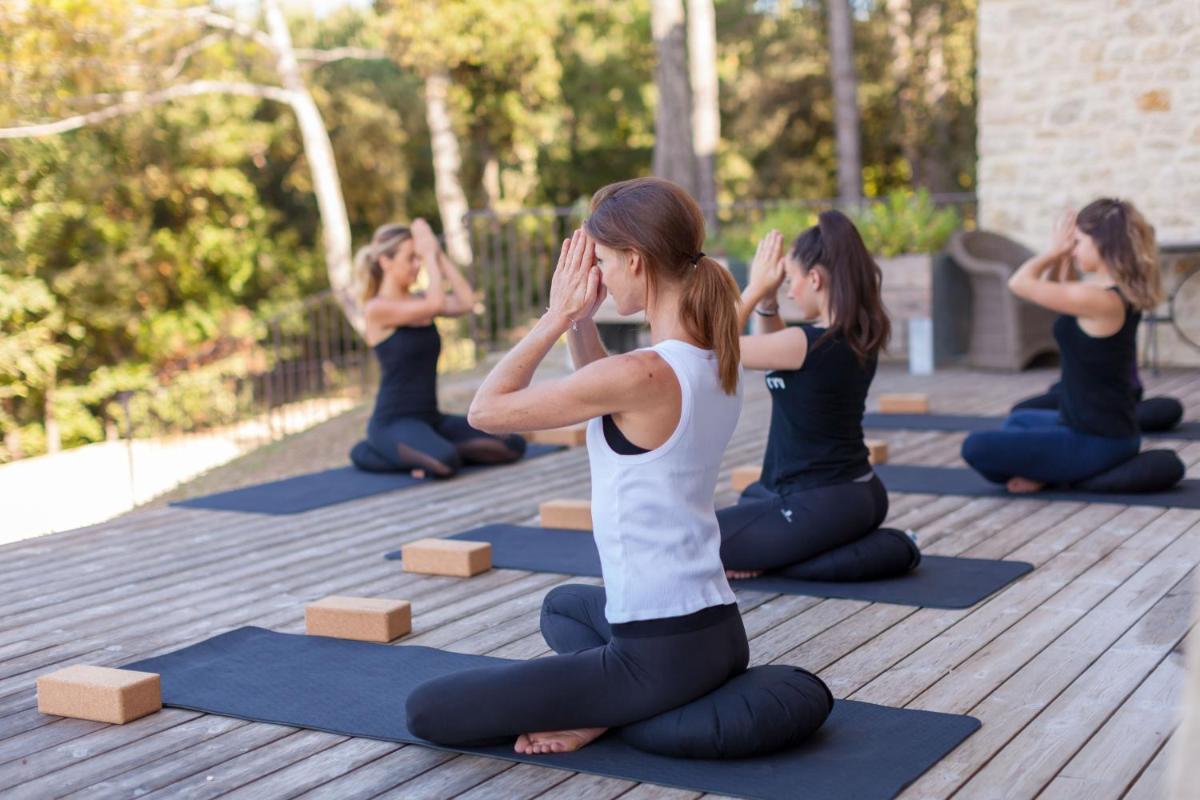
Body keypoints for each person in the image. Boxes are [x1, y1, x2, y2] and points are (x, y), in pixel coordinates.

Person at [406, 178, 749, 754]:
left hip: (658, 654)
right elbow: (607, 390)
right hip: (717, 631)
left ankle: (607, 709)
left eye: (606, 261)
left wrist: (555, 316)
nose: (601, 275)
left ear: (636, 260)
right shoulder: (712, 359)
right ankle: (609, 702)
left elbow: (485, 411)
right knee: (563, 606)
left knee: (428, 710)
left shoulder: (643, 373)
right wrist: (582, 321)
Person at [717, 213, 920, 582]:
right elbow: (777, 355)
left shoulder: (805, 343)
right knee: (753, 497)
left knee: (694, 542)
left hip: (819, 502)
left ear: (815, 278)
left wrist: (754, 288)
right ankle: (813, 546)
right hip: (856, 494)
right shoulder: (851, 334)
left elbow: (710, 351)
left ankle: (787, 557)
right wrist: (768, 303)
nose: (790, 290)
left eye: (791, 280)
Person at [961, 198, 1164, 492]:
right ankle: (1050, 470)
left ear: (1102, 243)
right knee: (1019, 420)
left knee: (975, 447)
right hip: (1085, 424)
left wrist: (1054, 252)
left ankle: (1059, 474)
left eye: (1078, 241)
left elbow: (1019, 283)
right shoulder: (1106, 294)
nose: (1073, 247)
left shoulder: (1101, 300)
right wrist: (1065, 260)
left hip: (1098, 439)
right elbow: (1066, 292)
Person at [348, 219, 525, 477]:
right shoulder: (377, 309)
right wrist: (429, 255)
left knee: (511, 445)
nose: (417, 265)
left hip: (431, 419)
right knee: (445, 463)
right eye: (411, 258)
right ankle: (368, 451)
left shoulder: (421, 300)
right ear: (385, 262)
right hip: (392, 422)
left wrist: (438, 254)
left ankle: (423, 451)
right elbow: (434, 304)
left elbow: (466, 302)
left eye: (418, 258)